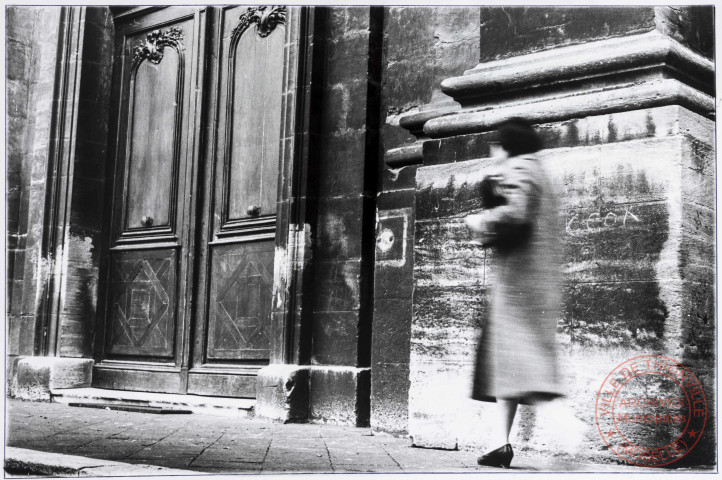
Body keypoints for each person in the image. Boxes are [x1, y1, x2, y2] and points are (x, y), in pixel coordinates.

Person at [464, 118, 563, 468]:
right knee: (507, 367)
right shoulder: (541, 172)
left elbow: (516, 215)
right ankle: (501, 444)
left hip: (520, 286)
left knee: (529, 369)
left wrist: (480, 222)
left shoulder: (521, 168)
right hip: (530, 284)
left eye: (495, 145)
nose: (493, 152)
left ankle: (569, 431)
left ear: (506, 146)